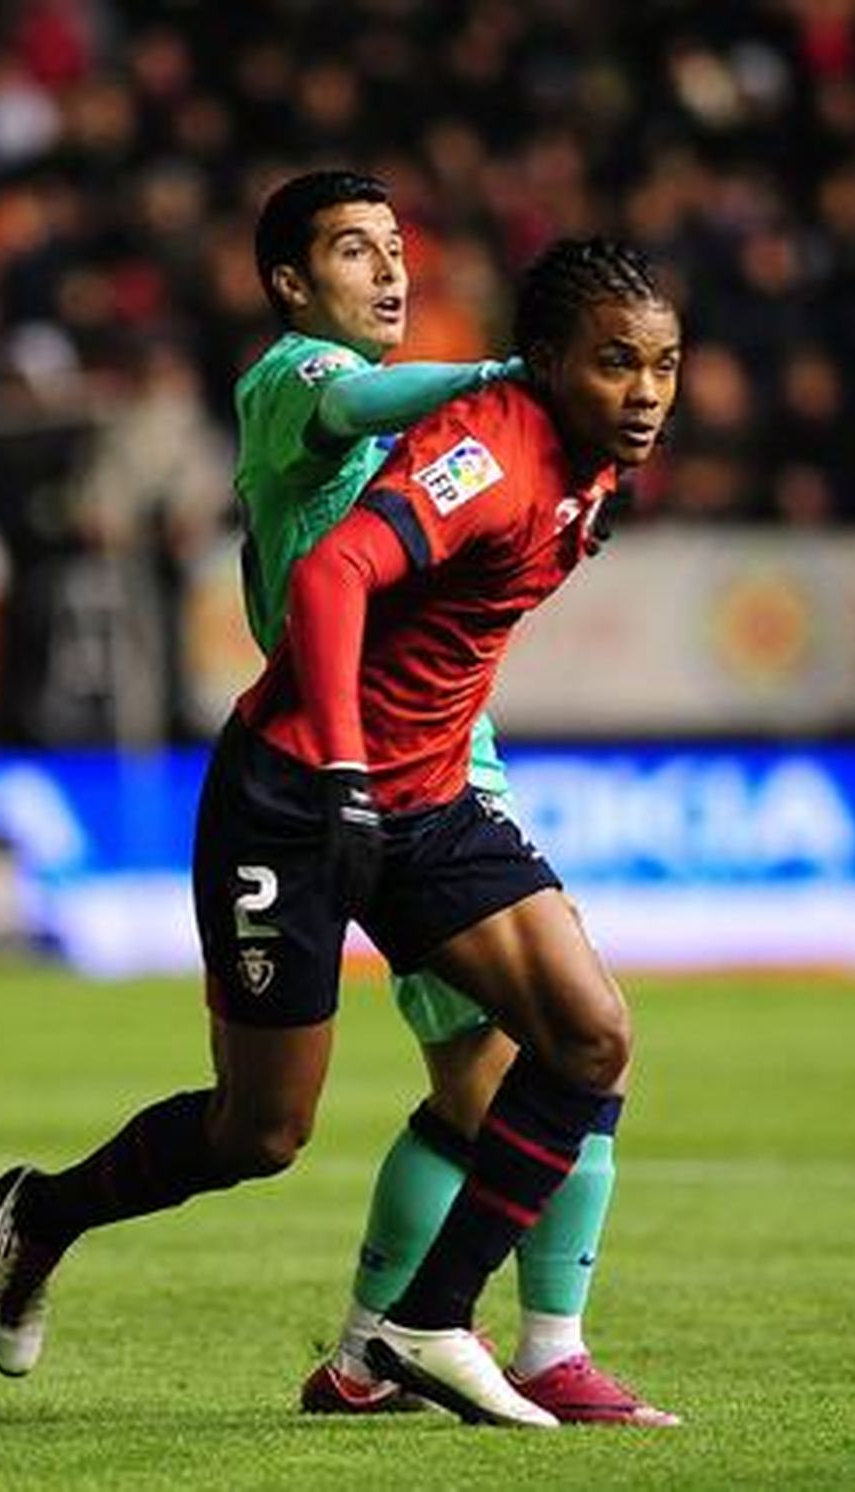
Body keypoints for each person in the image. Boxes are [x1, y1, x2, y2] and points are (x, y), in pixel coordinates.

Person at [0, 231, 683, 1429]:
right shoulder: (422, 423)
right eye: (619, 365)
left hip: (433, 796)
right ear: (547, 360)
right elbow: (334, 572)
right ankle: (42, 1212)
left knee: (586, 1036)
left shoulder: (584, 456)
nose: (648, 392)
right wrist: (349, 769)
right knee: (260, 1130)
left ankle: (423, 1329)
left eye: (665, 366)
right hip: (299, 793)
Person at [226, 169, 672, 1423]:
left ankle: (404, 1349)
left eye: (396, 248)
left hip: (435, 750)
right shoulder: (296, 381)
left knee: (549, 1052)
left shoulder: (558, 456)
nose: (388, 271)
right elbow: (363, 440)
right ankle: (469, 1343)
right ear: (290, 284)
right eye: (355, 251)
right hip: (347, 757)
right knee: (507, 1075)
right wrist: (498, 381)